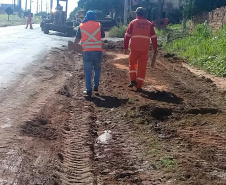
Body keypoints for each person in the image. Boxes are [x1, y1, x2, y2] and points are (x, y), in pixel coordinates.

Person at [124, 7, 158, 92]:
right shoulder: (149, 24)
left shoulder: (133, 23)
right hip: (144, 49)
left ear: (136, 13)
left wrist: (125, 47)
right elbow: (154, 37)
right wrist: (155, 48)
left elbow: (127, 36)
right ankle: (138, 86)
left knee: (132, 64)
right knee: (142, 67)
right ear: (144, 14)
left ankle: (133, 80)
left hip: (134, 48)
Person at [74, 11, 105, 96]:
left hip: (87, 51)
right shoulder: (98, 25)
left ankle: (88, 90)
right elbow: (103, 35)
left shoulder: (81, 26)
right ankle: (96, 85)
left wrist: (75, 45)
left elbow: (77, 39)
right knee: (97, 69)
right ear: (94, 17)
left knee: (88, 71)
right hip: (98, 51)